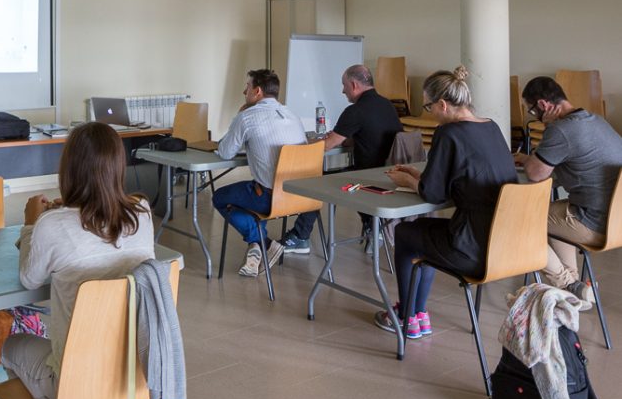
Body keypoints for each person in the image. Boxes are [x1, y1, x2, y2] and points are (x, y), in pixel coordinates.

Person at [1, 122, 154, 399]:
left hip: (76, 386)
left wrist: (31, 224)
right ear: (117, 167)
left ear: (68, 168)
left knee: (9, 345)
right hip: (135, 377)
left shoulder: (50, 226)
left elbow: (29, 279)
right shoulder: (142, 214)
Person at [374, 66, 517, 340]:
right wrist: (421, 176)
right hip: (505, 243)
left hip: (472, 249)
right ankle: (418, 315)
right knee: (428, 231)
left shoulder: (449, 133)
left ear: (442, 104)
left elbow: (433, 195)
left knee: (406, 233)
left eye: (429, 107)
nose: (431, 114)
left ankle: (407, 316)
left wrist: (409, 182)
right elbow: (467, 177)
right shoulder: (491, 127)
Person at [513, 76, 622, 302]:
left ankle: (567, 284)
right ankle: (574, 291)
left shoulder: (561, 130)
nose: (535, 117)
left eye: (533, 112)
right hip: (616, 221)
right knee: (554, 212)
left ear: (543, 105)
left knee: (520, 220)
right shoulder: (596, 120)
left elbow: (536, 174)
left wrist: (548, 130)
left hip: (592, 222)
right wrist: (529, 158)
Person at [281, 64, 402, 253]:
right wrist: (343, 137)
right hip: (390, 176)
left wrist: (298, 150)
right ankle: (373, 226)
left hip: (366, 180)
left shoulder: (355, 110)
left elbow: (328, 145)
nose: (342, 90)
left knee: (316, 182)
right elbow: (368, 135)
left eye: (344, 85)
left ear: (354, 85)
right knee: (342, 177)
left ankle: (300, 236)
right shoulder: (387, 105)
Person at [212, 69, 307, 277]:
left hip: (271, 199)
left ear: (257, 91)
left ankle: (263, 243)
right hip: (302, 198)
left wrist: (239, 116)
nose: (243, 91)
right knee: (255, 187)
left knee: (220, 197)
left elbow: (226, 152)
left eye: (246, 87)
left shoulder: (247, 117)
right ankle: (255, 247)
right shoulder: (293, 115)